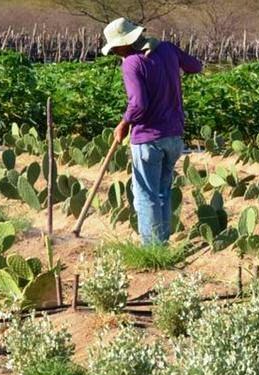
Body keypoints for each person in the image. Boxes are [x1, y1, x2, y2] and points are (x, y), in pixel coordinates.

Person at [102, 17, 202, 245]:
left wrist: (124, 123)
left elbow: (138, 104)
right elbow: (196, 66)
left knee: (146, 195)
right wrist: (168, 64)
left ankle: (151, 248)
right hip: (174, 137)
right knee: (163, 192)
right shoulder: (166, 48)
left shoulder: (131, 63)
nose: (116, 52)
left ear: (126, 43)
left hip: (148, 138)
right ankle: (162, 244)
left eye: (116, 47)